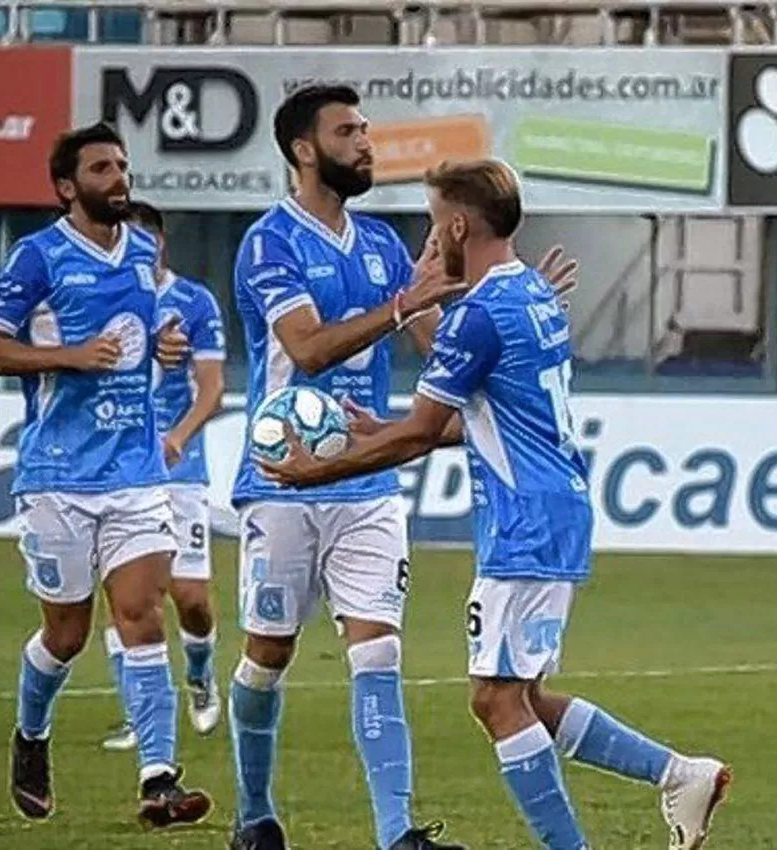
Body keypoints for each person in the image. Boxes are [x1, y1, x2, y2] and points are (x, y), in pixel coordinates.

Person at [259, 158, 731, 850]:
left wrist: (313, 474)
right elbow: (470, 422)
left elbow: (423, 433)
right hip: (550, 511)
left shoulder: (475, 316)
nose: (427, 239)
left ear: (456, 225)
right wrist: (379, 431)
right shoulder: (530, 294)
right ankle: (680, 774)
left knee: (495, 698)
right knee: (524, 697)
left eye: (430, 222)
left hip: (526, 522)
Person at [225, 84, 472, 850]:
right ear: (305, 149)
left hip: (365, 480)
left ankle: (399, 833)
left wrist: (495, 312)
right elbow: (305, 350)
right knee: (269, 655)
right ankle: (255, 815)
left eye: (366, 130)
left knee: (379, 649)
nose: (367, 143)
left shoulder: (383, 247)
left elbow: (441, 351)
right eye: (349, 131)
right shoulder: (270, 243)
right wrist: (403, 306)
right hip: (284, 480)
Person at [0, 122, 212, 828]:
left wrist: (164, 352)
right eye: (102, 168)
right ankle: (32, 736)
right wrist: (71, 357)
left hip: (135, 472)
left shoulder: (142, 252)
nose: (119, 178)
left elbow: (142, 344)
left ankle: (159, 778)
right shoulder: (36, 259)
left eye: (123, 165)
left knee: (140, 616)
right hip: (56, 475)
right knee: (67, 635)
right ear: (69, 187)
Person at [100, 200, 227, 752]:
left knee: (191, 597)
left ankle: (199, 675)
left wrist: (178, 435)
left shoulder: (192, 301)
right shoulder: (98, 299)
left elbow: (212, 388)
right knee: (126, 594)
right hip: (111, 467)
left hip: (177, 469)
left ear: (160, 244)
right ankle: (141, 712)